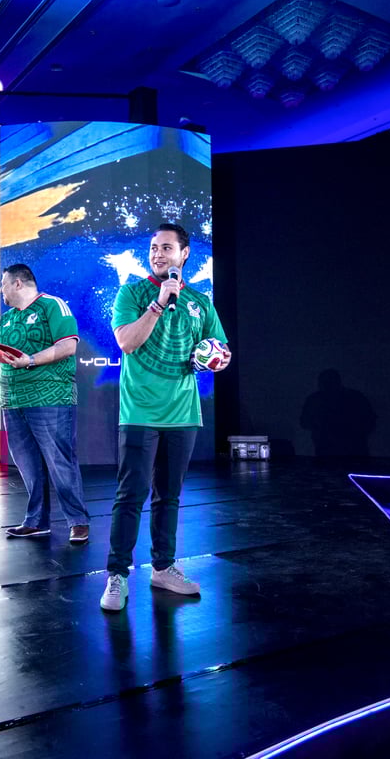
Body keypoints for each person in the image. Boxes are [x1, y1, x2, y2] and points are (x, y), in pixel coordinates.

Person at [100, 224, 231, 611]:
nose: (158, 253)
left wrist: (214, 358)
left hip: (183, 413)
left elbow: (221, 349)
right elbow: (127, 342)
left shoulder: (200, 302)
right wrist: (158, 303)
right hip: (140, 410)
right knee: (130, 495)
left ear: (184, 254)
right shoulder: (132, 293)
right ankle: (117, 575)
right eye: (154, 247)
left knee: (169, 496)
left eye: (167, 248)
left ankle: (163, 568)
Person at [0, 263, 91, 544]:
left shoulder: (52, 305)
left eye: (3, 284)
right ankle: (36, 521)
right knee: (27, 463)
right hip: (13, 398)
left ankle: (78, 521)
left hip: (50, 397)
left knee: (60, 460)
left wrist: (31, 360)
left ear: (17, 283)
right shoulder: (7, 318)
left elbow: (68, 346)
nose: (1, 290)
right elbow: (5, 354)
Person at [300, 368, 377, 457]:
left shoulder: (314, 400)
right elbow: (304, 422)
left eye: (329, 382)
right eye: (325, 383)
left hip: (349, 449)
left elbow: (370, 421)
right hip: (331, 449)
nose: (327, 386)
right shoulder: (355, 396)